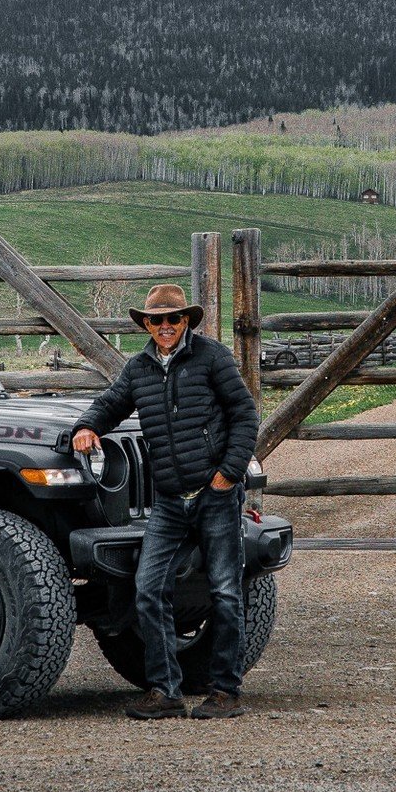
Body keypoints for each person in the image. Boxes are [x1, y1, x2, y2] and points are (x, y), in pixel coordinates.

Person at [72, 284, 258, 721]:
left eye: (173, 319)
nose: (166, 327)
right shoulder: (138, 368)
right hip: (170, 502)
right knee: (148, 589)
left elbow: (245, 414)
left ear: (187, 321)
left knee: (226, 593)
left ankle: (226, 691)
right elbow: (111, 403)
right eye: (157, 320)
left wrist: (227, 474)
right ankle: (165, 691)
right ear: (146, 324)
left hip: (216, 496)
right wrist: (85, 427)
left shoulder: (212, 357)